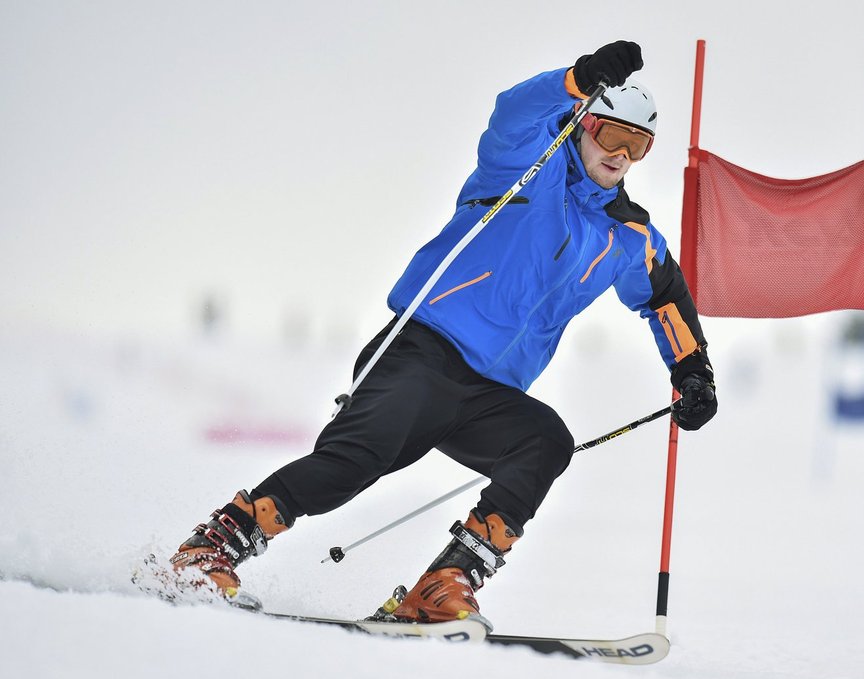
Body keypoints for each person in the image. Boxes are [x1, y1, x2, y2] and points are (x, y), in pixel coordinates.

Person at [169, 40, 717, 627]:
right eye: (611, 136)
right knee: (352, 465)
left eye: (637, 145)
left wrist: (691, 369)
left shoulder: (628, 236)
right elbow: (512, 111)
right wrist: (576, 80)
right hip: (421, 351)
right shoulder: (528, 163)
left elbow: (664, 296)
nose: (620, 155)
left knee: (545, 440)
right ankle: (209, 552)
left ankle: (441, 586)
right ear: (584, 126)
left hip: (487, 395)